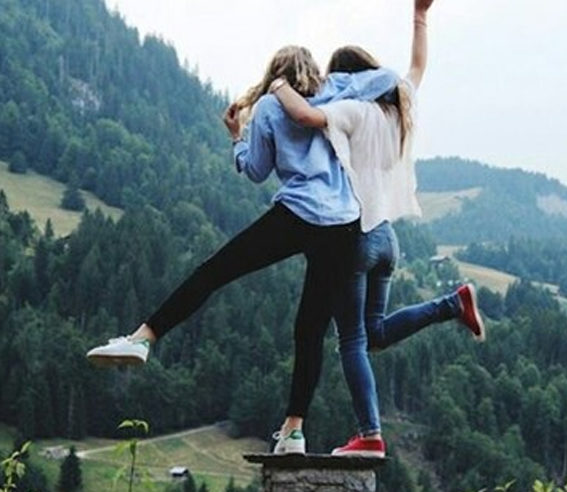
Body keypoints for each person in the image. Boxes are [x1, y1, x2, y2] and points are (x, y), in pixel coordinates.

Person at [86, 45, 399, 455]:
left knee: (215, 271)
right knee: (310, 331)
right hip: (342, 224)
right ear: (312, 69)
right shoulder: (336, 92)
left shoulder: (270, 106)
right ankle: (293, 432)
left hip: (298, 213)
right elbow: (389, 77)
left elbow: (255, 170)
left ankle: (143, 337)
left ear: (275, 73)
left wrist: (237, 138)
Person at [269, 0, 485, 457]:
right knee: (376, 333)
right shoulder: (398, 108)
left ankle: (370, 433)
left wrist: (278, 86)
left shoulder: (352, 110)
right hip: (388, 239)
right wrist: (420, 16)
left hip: (356, 237)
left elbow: (304, 116)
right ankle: (452, 303)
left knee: (351, 341)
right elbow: (418, 67)